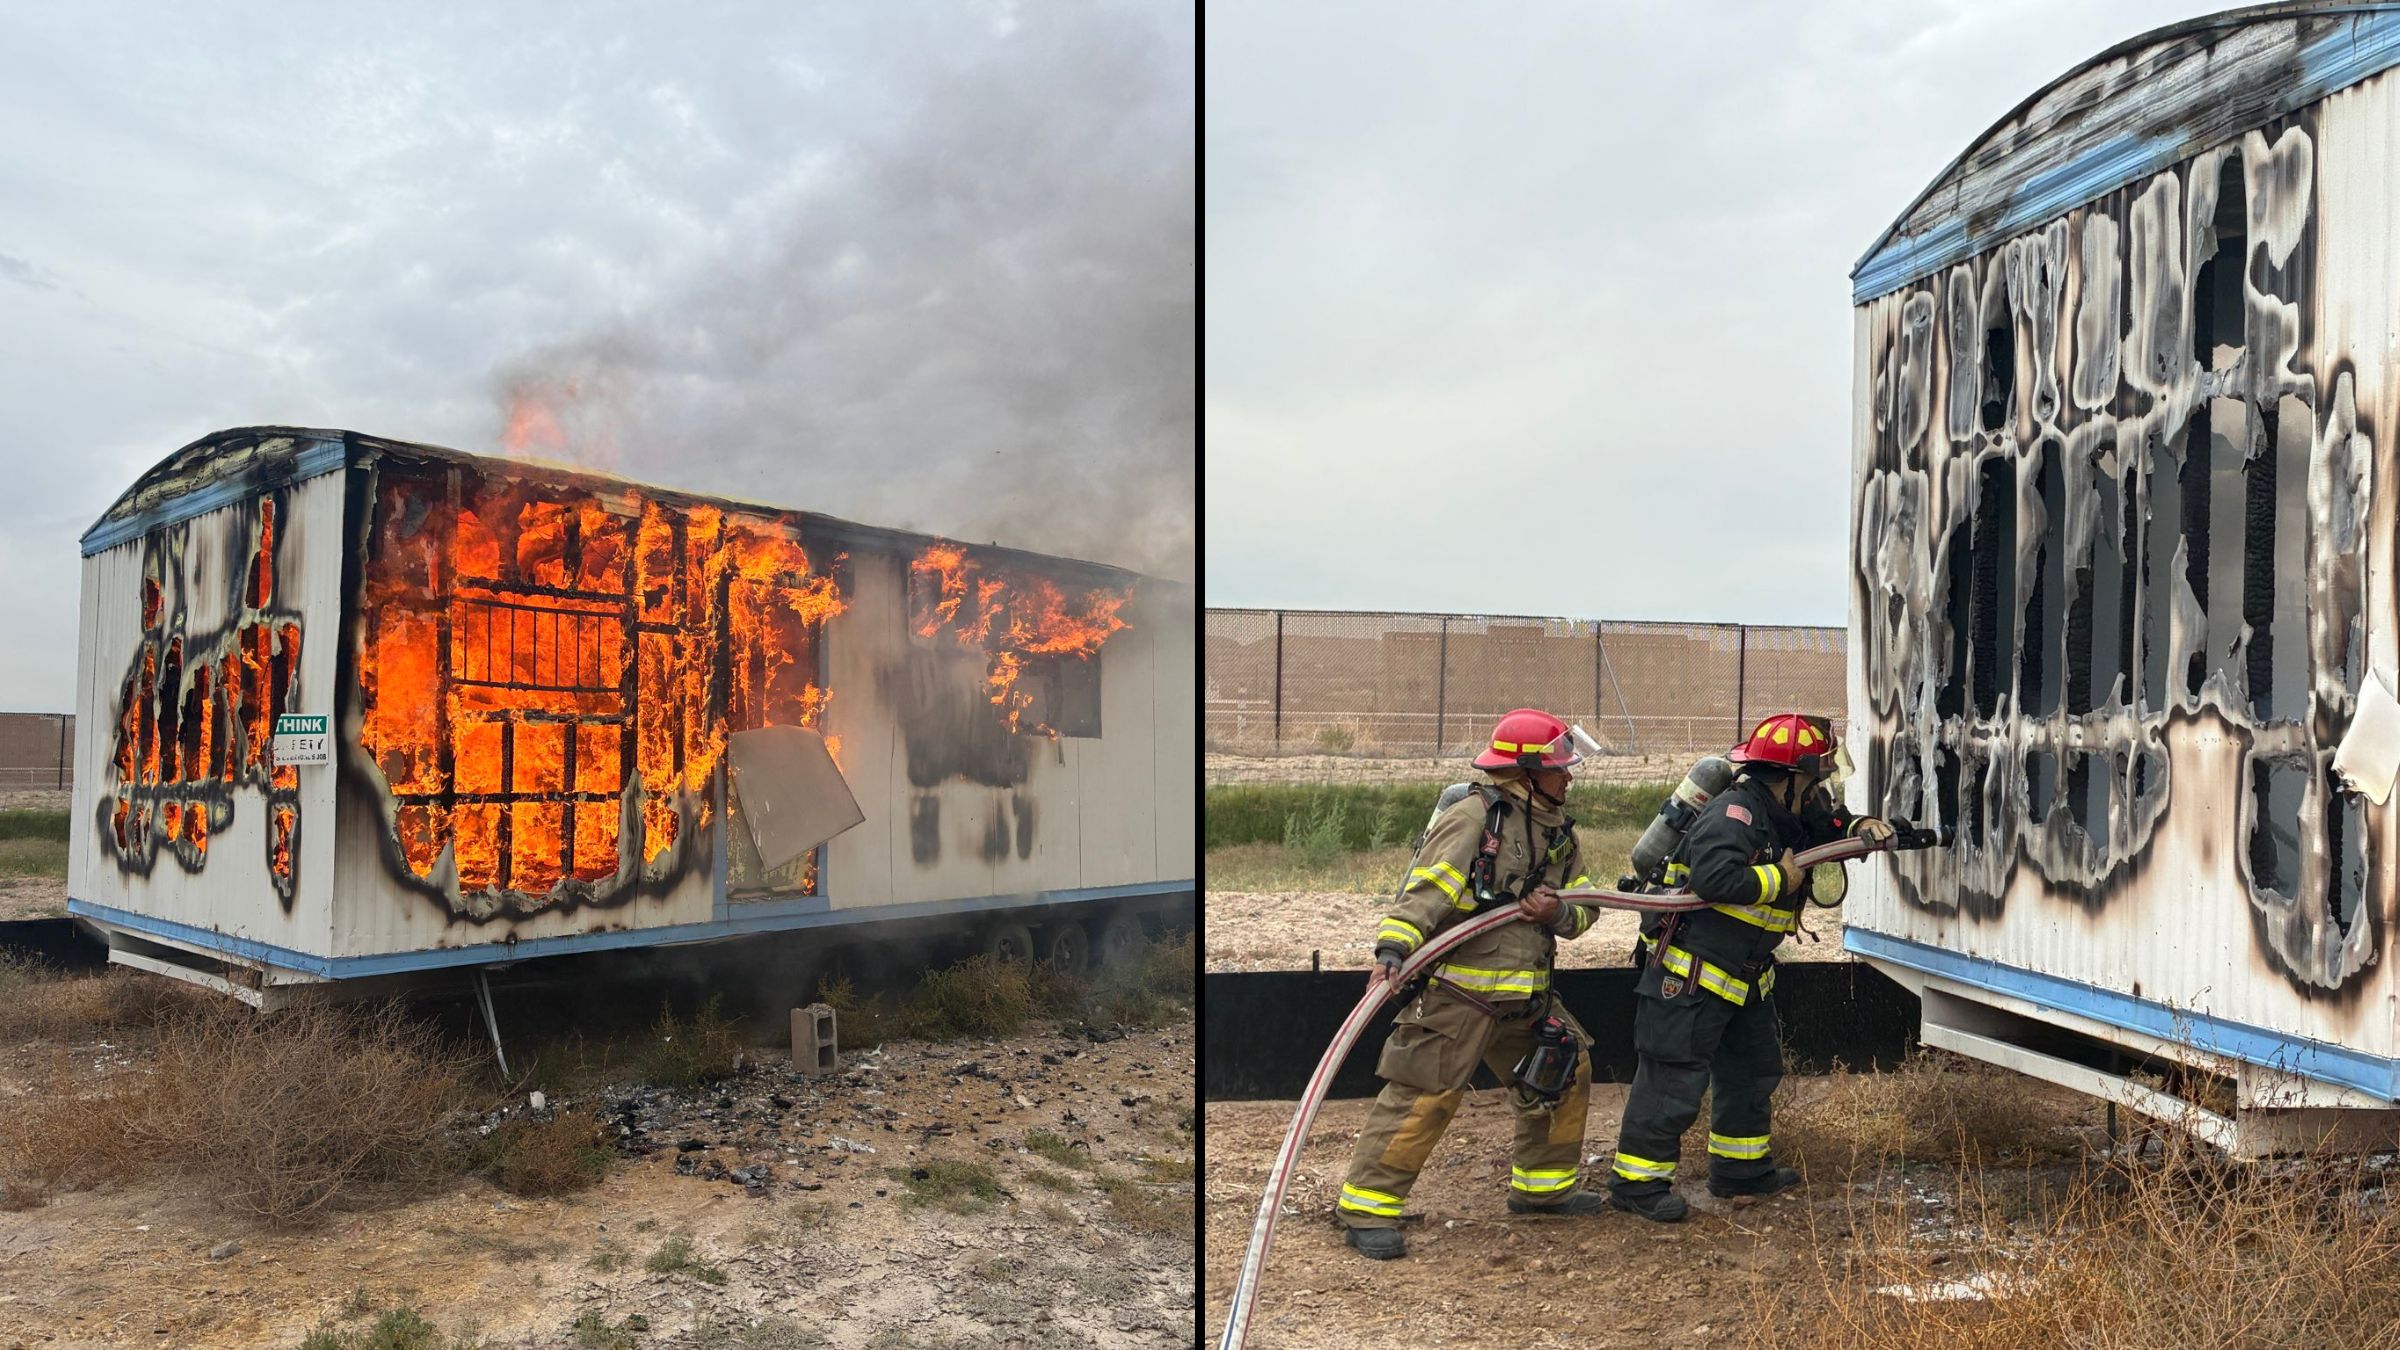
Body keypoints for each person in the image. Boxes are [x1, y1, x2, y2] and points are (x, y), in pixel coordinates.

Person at [1335, 708, 1607, 1260]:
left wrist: (1556, 913)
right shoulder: (1473, 819)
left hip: (1527, 997)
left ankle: (1542, 1191)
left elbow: (1585, 908)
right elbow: (1425, 892)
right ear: (1524, 773)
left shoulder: (1559, 833)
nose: (1567, 776)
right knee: (1423, 1096)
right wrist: (1392, 950)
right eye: (1558, 767)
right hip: (1459, 996)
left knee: (1564, 1070)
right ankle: (1367, 1209)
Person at [1606, 713, 1892, 1222]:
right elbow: (1715, 879)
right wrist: (1779, 878)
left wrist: (1857, 826)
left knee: (1751, 1071)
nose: (1823, 789)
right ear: (1791, 777)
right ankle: (1637, 1184)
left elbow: (1824, 826)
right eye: (1818, 778)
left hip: (1744, 975)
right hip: (1693, 974)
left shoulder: (1785, 811)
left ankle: (1740, 1171)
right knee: (1674, 1078)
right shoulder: (1733, 815)